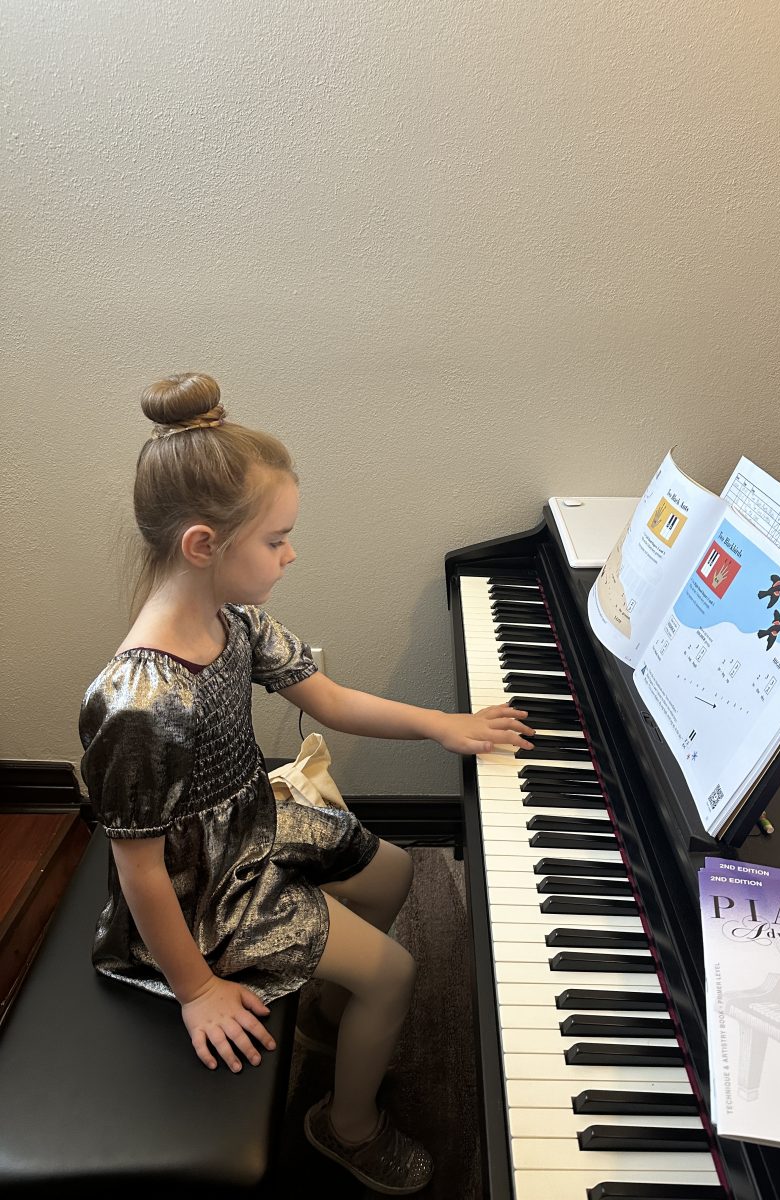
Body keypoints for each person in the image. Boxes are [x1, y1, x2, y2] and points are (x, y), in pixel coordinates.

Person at [79, 372, 534, 1195]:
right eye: (277, 540)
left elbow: (330, 699)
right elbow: (140, 868)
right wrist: (197, 991)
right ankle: (345, 1126)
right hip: (199, 892)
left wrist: (442, 724)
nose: (292, 555)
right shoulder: (141, 703)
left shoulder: (234, 621)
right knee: (394, 969)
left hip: (250, 820)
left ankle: (332, 1010)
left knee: (394, 869)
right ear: (203, 546)